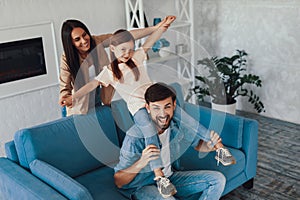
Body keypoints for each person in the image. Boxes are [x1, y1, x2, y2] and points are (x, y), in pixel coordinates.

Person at [60, 15, 234, 198]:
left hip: (153, 101)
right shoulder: (110, 71)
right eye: (122, 50)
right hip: (140, 108)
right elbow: (92, 85)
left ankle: (219, 147)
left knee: (187, 119)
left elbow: (151, 40)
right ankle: (159, 176)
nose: (127, 53)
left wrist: (162, 27)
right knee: (150, 134)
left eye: (130, 48)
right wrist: (73, 96)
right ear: (112, 49)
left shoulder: (137, 57)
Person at [114, 82, 226, 199]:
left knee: (218, 180)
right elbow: (119, 180)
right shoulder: (134, 137)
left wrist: (209, 146)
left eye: (167, 107)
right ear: (148, 108)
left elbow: (198, 145)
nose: (162, 114)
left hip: (170, 178)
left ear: (174, 105)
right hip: (143, 186)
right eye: (156, 108)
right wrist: (142, 161)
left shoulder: (175, 125)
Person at [59, 19, 165, 116]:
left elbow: (124, 37)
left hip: (98, 97)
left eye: (84, 34)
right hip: (79, 101)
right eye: (77, 39)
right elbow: (65, 85)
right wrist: (68, 98)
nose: (84, 40)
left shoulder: (96, 42)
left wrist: (155, 28)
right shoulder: (67, 58)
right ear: (71, 43)